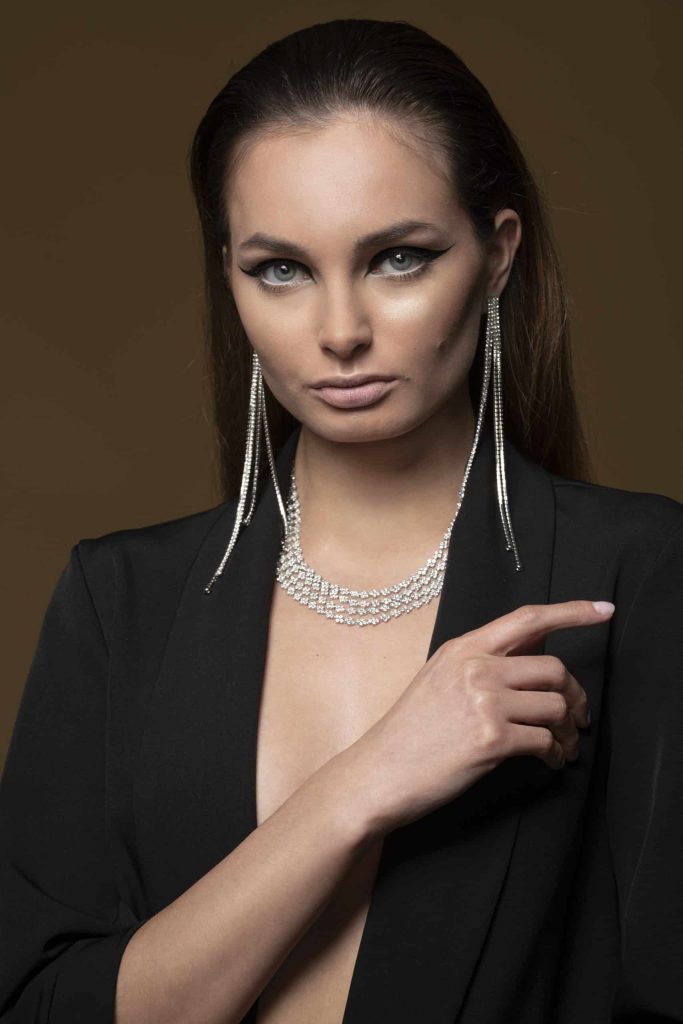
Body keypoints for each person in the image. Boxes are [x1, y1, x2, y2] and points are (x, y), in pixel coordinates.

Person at [1, 17, 682, 1024]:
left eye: (397, 258)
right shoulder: (120, 601)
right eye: (278, 268)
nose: (338, 332)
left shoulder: (632, 574)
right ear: (226, 271)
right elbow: (42, 1006)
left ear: (495, 256)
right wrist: (365, 781)